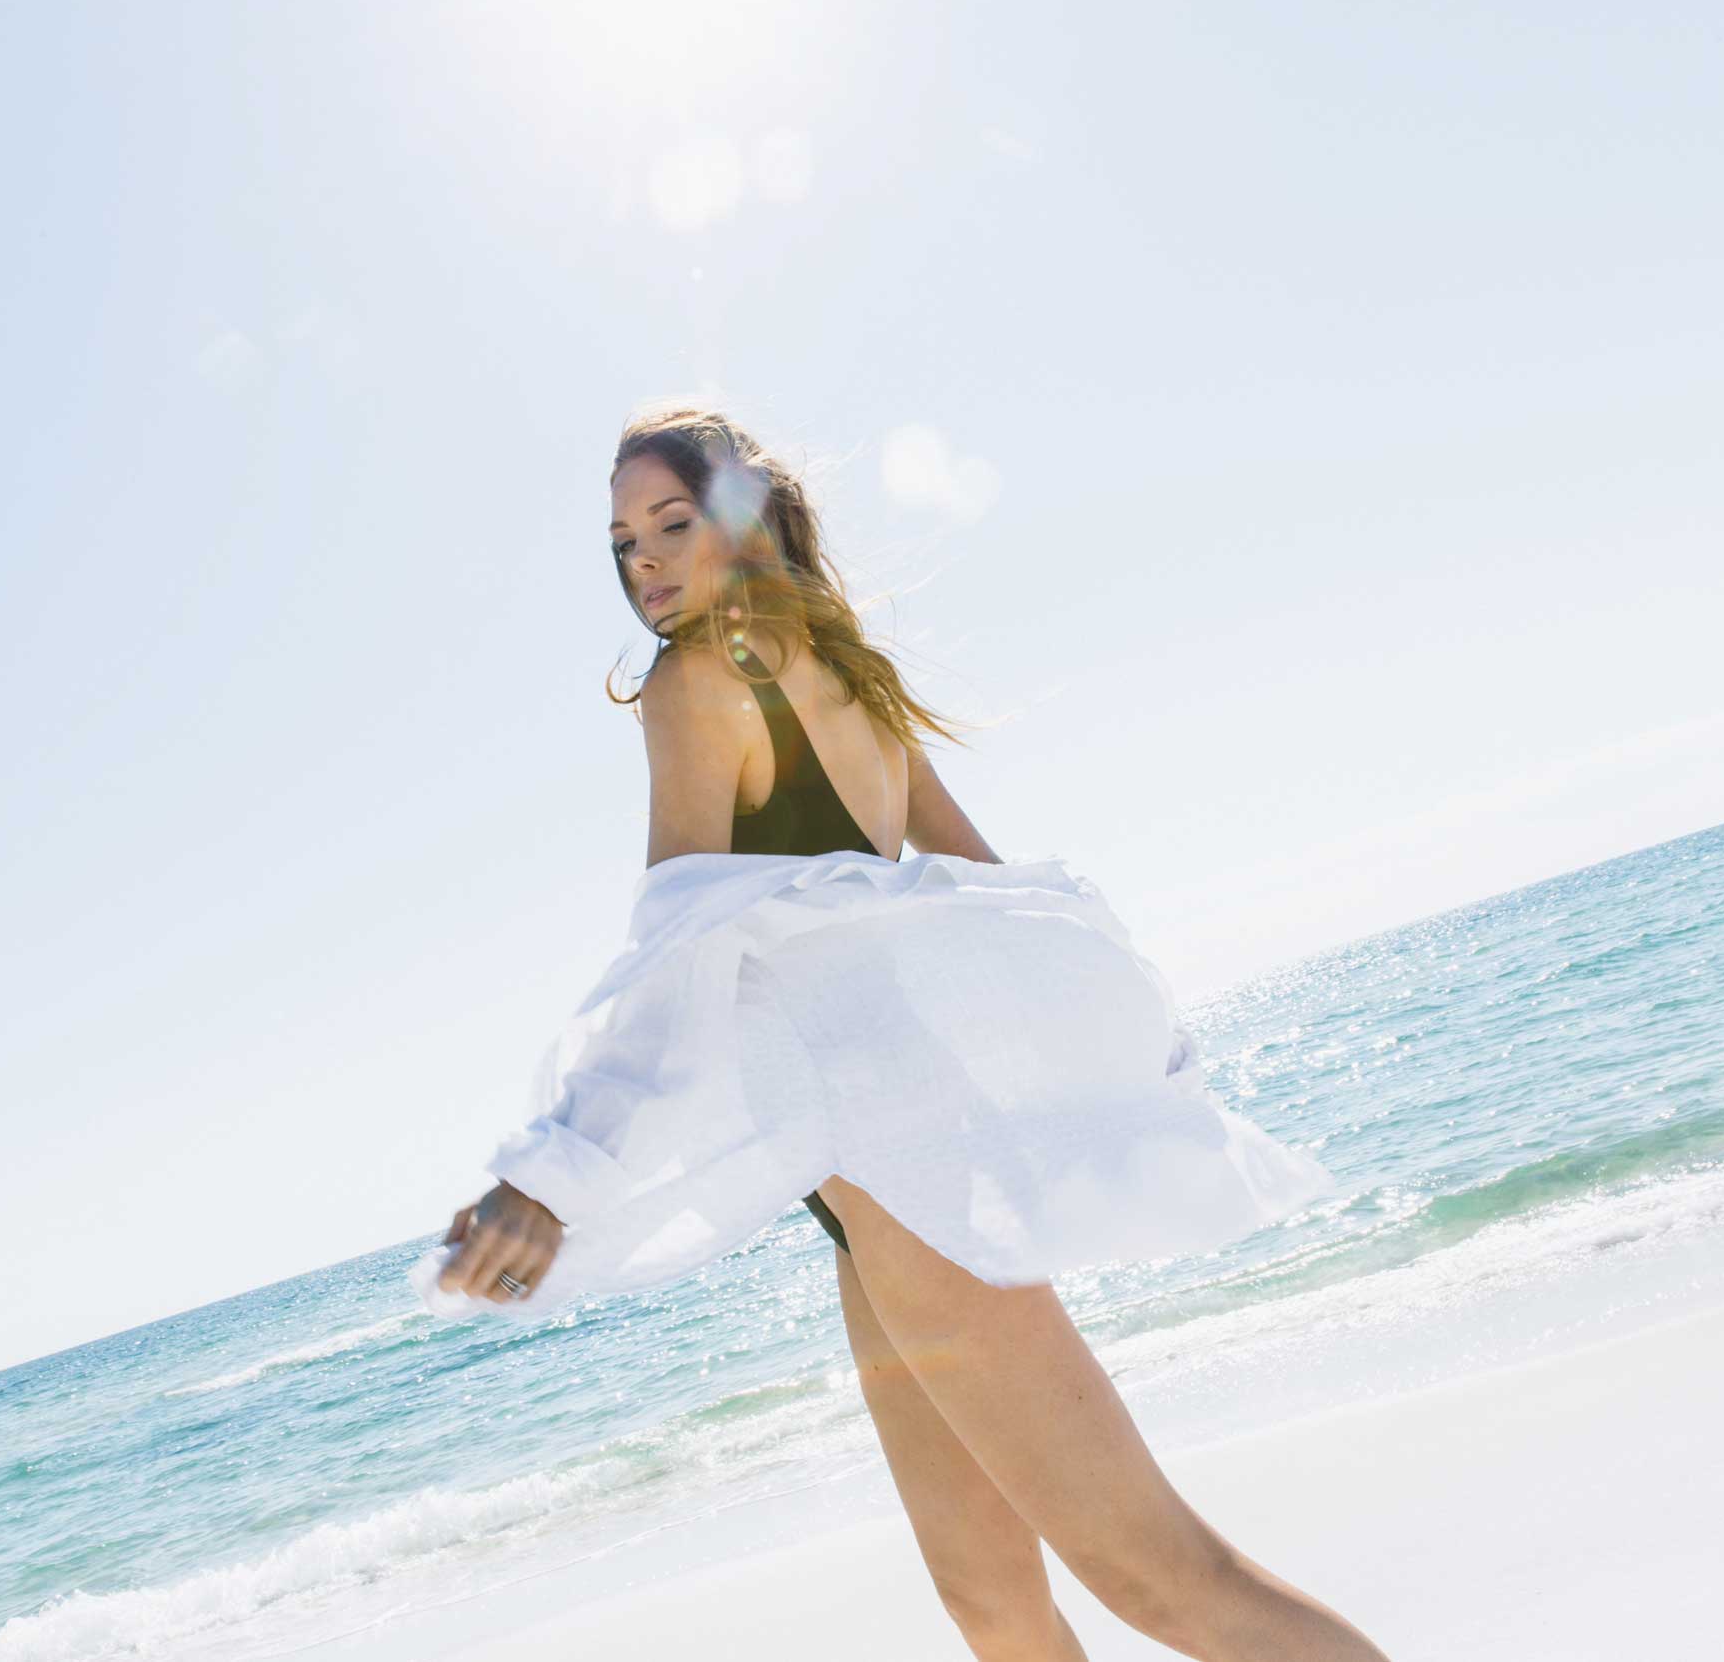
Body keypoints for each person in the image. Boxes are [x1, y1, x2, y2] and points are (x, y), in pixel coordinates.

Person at [430, 406, 1393, 1661]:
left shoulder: (692, 681)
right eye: (622, 541)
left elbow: (675, 955)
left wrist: (552, 1173)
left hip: (910, 1179)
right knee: (990, 1601)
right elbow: (1002, 897)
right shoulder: (844, 671)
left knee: (1161, 1576)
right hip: (880, 1188)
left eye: (672, 522)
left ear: (744, 515)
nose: (645, 561)